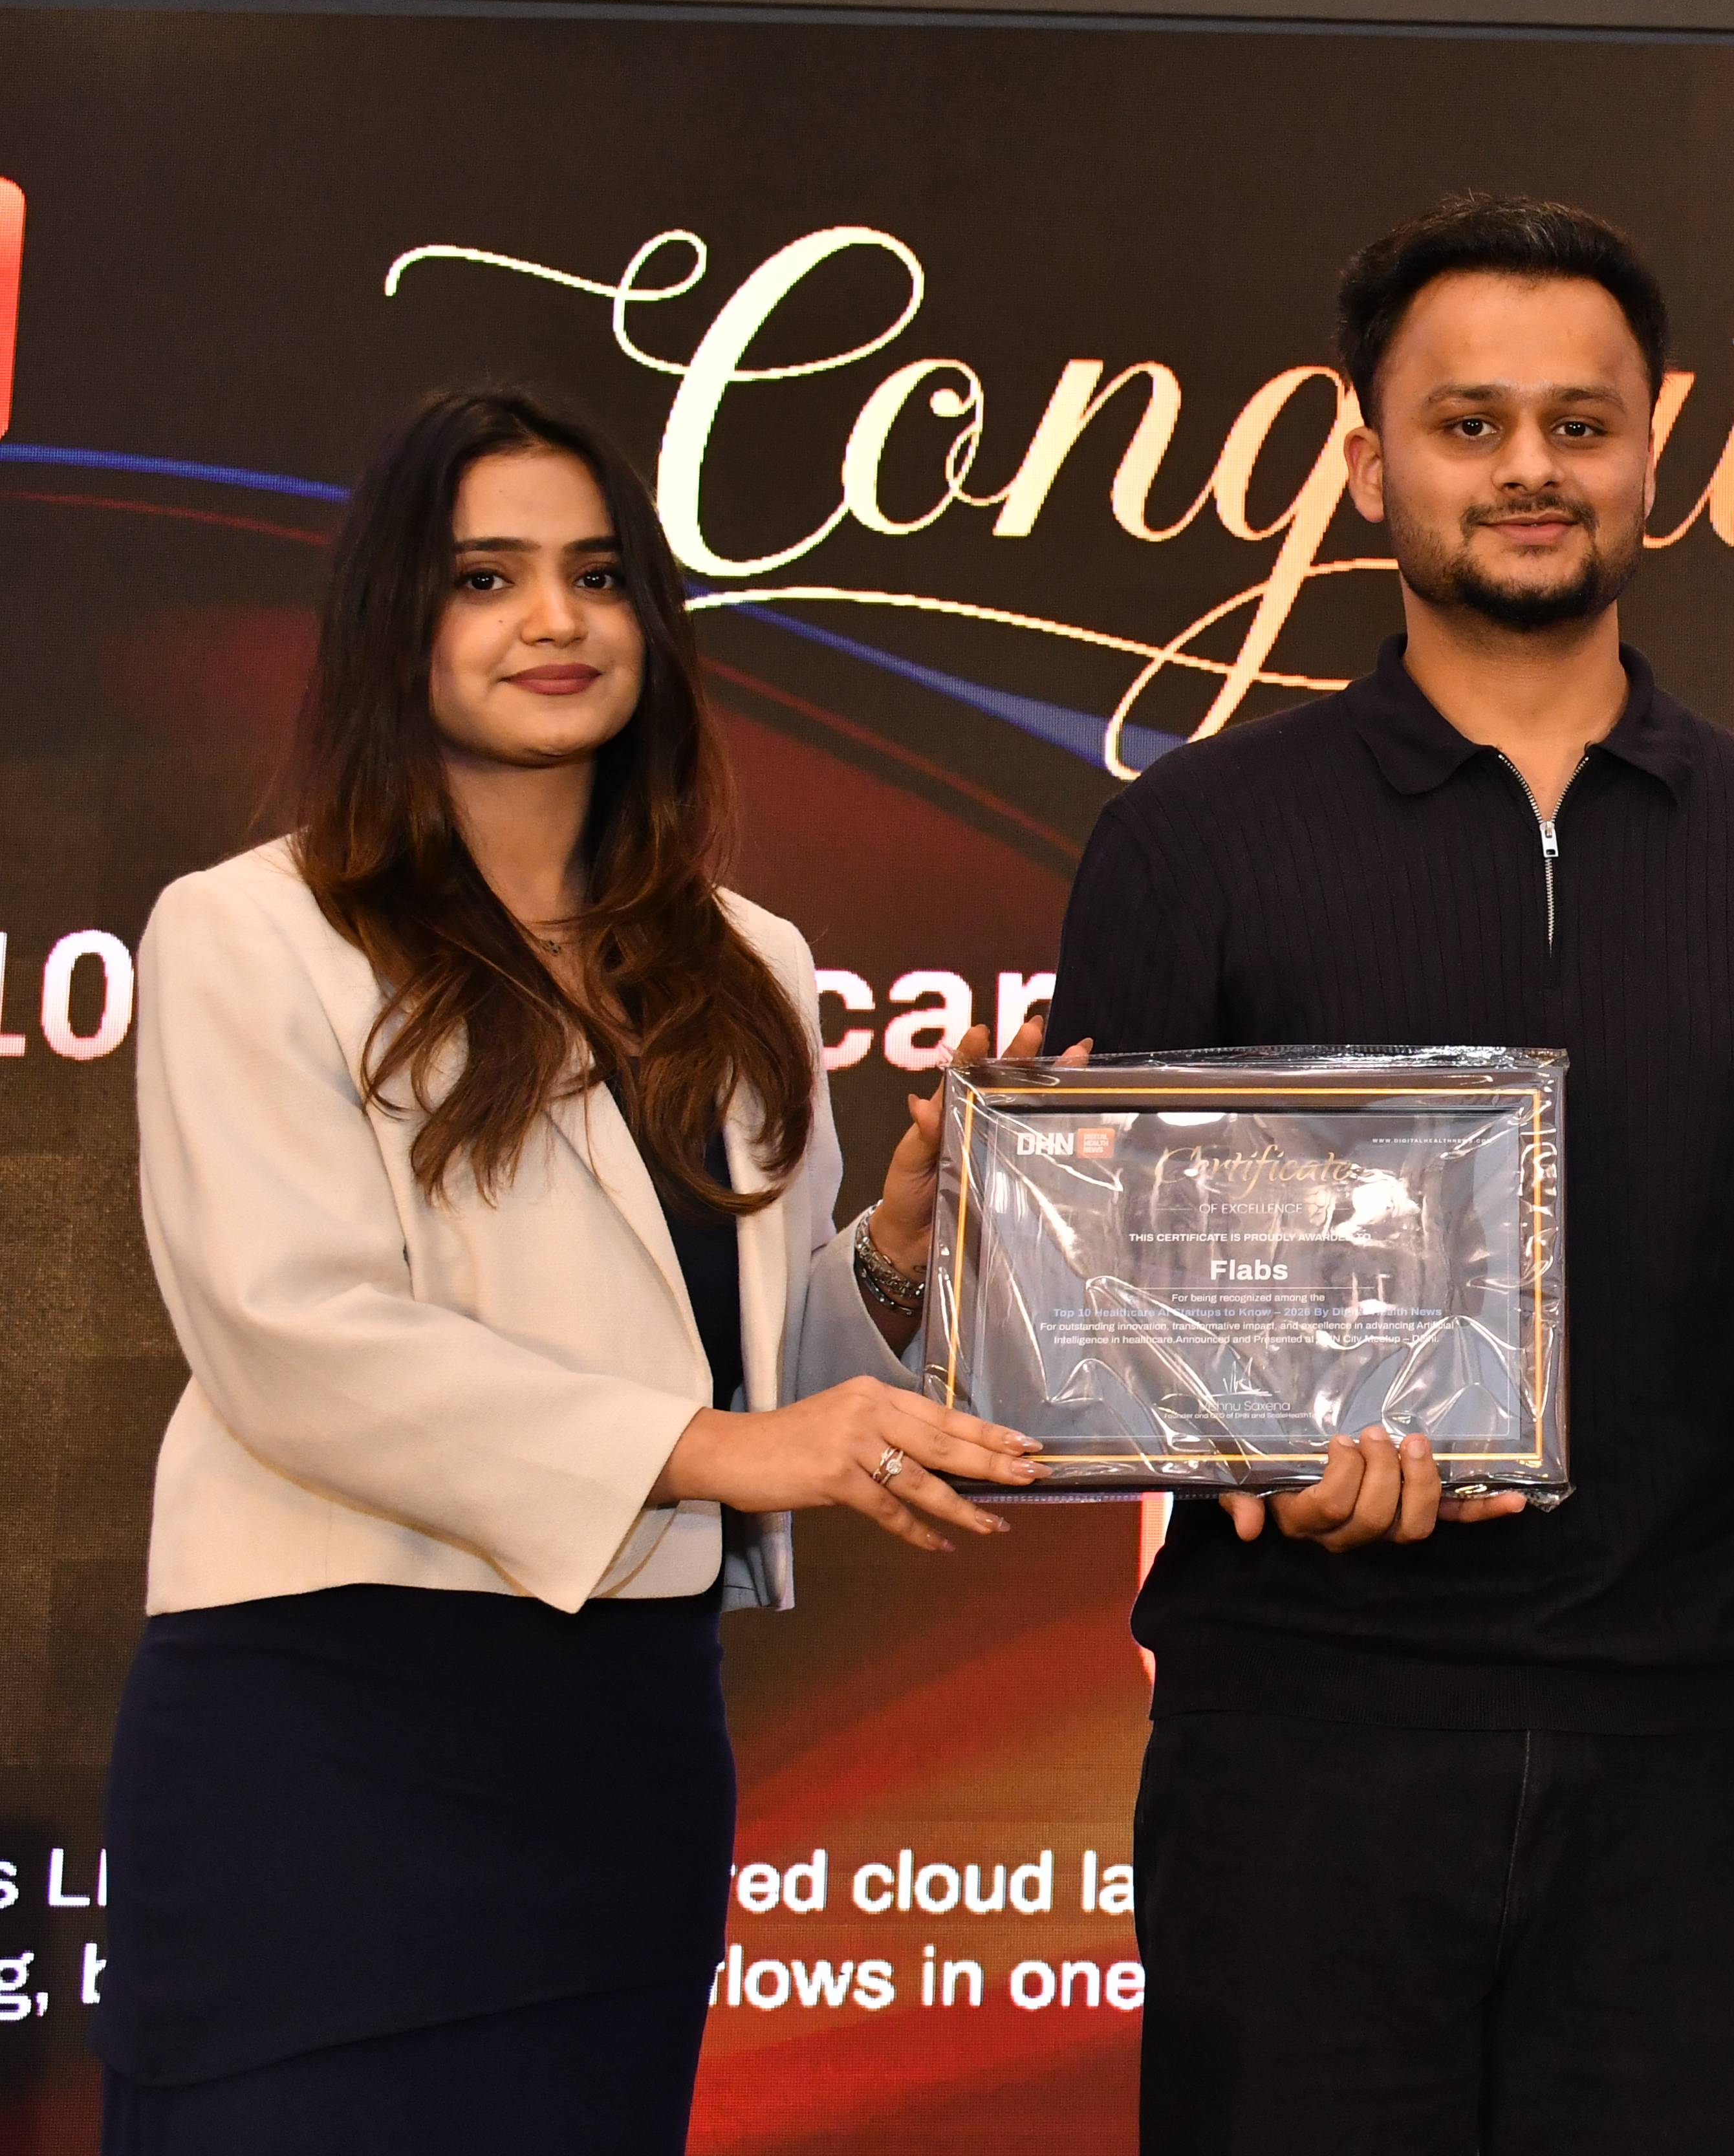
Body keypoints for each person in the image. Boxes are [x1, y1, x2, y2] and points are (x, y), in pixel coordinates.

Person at [1037, 193, 1734, 2155]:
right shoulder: (1197, 841)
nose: (1531, 467)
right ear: (1370, 461)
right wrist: (1255, 1454)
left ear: (1654, 454)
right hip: (1299, 1737)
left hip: (1682, 1745)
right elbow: (1101, 1304)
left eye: (1579, 423)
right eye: (1470, 424)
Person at [97, 387, 1046, 2152]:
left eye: (600, 575)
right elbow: (291, 1341)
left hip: (625, 1744)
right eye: (488, 577)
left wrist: (900, 1252)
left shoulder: (751, 960)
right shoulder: (250, 928)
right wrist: (716, 1447)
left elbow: (752, 1374)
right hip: (324, 1731)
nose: (556, 619)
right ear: (397, 621)